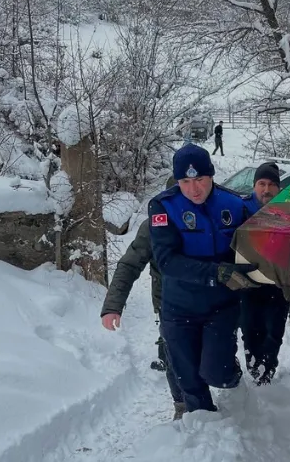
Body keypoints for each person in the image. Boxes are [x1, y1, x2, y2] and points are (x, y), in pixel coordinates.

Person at [148, 143, 260, 413]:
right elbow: (167, 261)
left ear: (211, 175)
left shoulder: (234, 204)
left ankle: (231, 379)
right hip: (178, 307)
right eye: (185, 181)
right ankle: (204, 431)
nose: (193, 188)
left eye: (199, 179)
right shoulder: (163, 207)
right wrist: (215, 272)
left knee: (216, 371)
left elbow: (258, 243)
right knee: (189, 380)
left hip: (220, 307)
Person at [100, 175, 186, 420]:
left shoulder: (205, 222)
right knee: (173, 355)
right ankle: (181, 405)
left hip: (204, 301)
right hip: (167, 303)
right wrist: (113, 306)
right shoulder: (152, 228)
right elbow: (128, 265)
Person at [239, 162, 290, 385]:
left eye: (272, 184)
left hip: (278, 286)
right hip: (247, 285)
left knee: (274, 332)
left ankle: (267, 371)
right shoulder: (239, 209)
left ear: (279, 188)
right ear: (254, 186)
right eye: (262, 183)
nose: (266, 189)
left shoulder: (288, 212)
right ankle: (253, 368)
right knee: (251, 331)